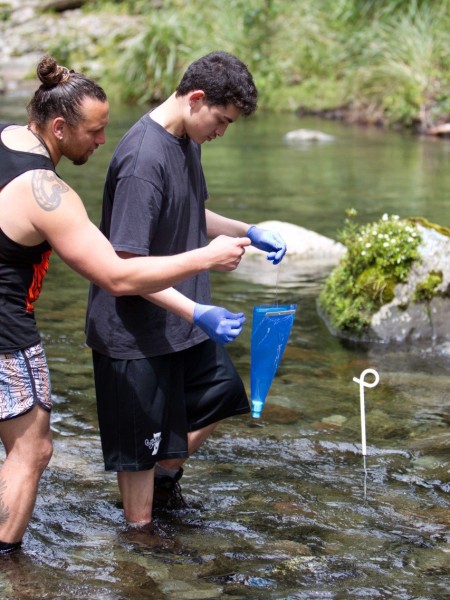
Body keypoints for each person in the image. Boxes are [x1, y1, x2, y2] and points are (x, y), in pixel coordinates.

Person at [0, 55, 251, 555]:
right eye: (94, 133)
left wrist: (246, 233)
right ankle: (10, 563)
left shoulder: (7, 138)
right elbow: (117, 273)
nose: (100, 142)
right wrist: (203, 270)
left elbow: (186, 212)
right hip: (9, 330)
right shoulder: (49, 191)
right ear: (57, 126)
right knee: (32, 449)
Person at [85, 51, 287, 529]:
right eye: (221, 120)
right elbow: (126, 265)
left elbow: (190, 210)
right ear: (196, 99)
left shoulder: (186, 139)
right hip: (135, 334)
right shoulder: (142, 158)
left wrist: (248, 229)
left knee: (223, 394)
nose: (221, 132)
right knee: (138, 453)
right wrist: (198, 310)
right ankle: (141, 543)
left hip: (182, 321)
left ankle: (163, 482)